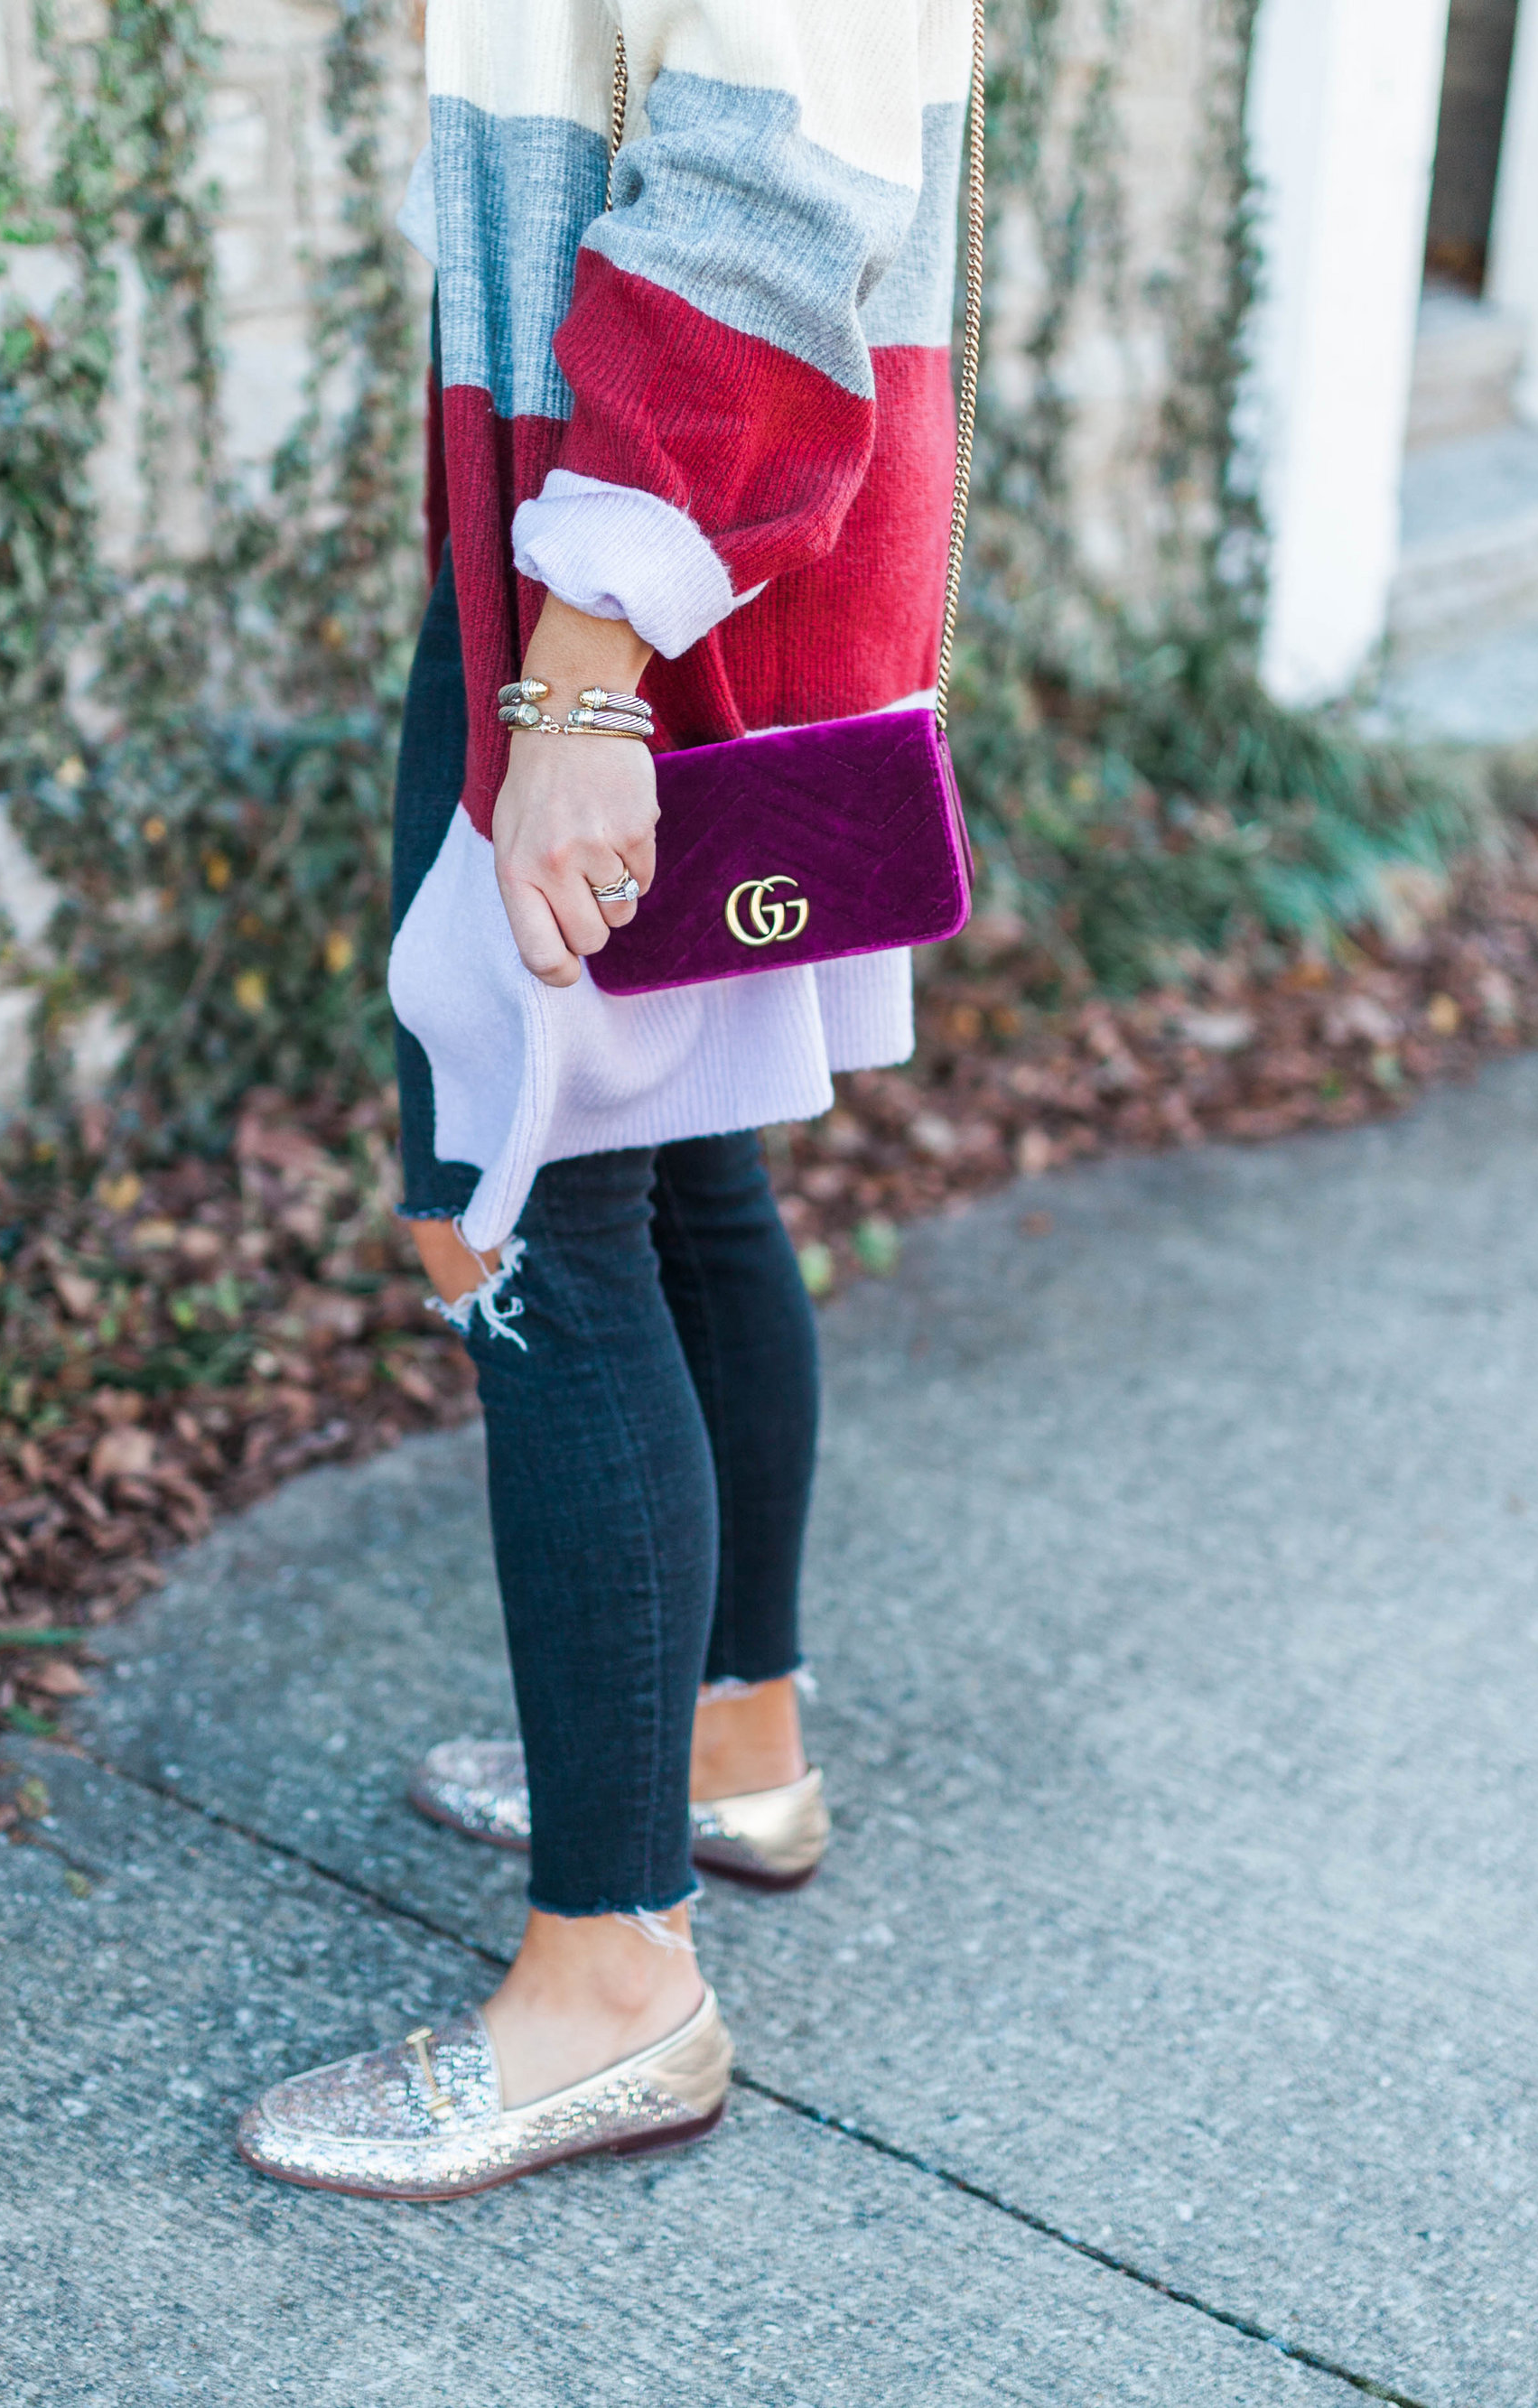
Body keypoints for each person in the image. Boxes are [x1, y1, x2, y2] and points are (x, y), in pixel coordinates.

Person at [231, 0, 974, 2201]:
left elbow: (759, 188)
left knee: (537, 1206)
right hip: (615, 577)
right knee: (668, 1172)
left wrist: (583, 669)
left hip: (623, 606)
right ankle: (726, 1747)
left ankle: (606, 1986)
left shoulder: (596, 635)